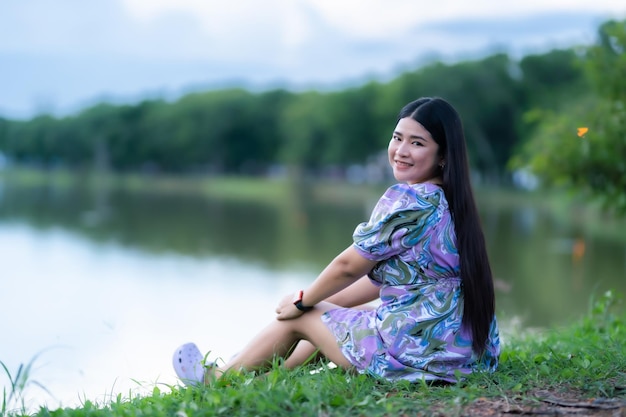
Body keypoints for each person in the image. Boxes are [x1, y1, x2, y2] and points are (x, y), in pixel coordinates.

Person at [173, 96, 500, 385]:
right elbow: (390, 282)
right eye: (397, 138)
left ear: (442, 155)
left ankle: (217, 380)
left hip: (413, 361)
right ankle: (265, 376)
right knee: (335, 315)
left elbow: (348, 267)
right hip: (463, 360)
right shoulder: (454, 203)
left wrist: (303, 300)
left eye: (417, 143)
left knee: (302, 316)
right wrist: (322, 303)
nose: (401, 151)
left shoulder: (410, 200)